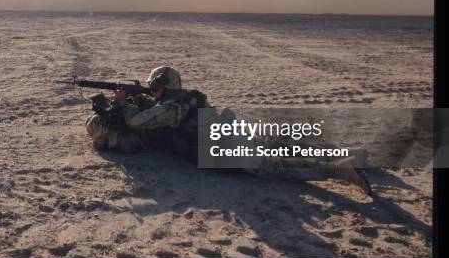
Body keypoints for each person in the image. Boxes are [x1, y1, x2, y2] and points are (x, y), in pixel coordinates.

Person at [85, 66, 372, 195]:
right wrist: (140, 102)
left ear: (163, 87)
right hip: (228, 131)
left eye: (154, 88)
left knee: (277, 166)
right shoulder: (188, 98)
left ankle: (337, 170)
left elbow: (138, 122)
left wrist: (124, 105)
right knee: (279, 145)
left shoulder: (169, 108)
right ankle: (351, 155)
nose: (152, 92)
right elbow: (159, 112)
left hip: (218, 148)